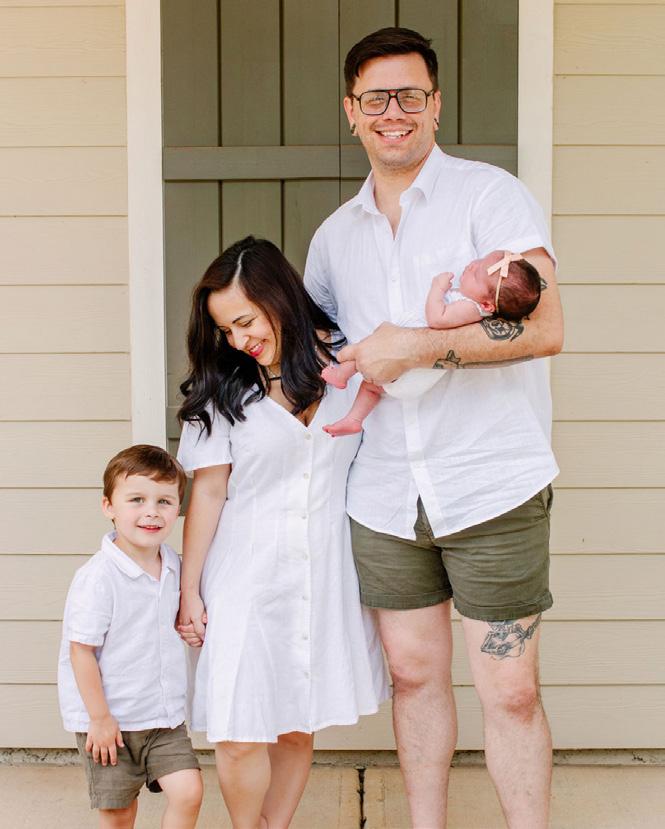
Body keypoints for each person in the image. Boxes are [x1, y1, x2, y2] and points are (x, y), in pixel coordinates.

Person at [304, 26, 563, 829]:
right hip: (383, 494)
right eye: (376, 98)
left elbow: (544, 325)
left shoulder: (488, 197)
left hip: (489, 483)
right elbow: (315, 350)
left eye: (410, 95)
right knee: (413, 678)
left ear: (436, 103)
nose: (394, 112)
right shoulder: (333, 239)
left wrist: (415, 345)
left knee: (508, 689)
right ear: (351, 110)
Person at [175, 236, 389, 829]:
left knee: (297, 722)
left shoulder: (350, 365)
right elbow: (208, 495)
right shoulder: (224, 393)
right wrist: (190, 591)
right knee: (239, 732)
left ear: (277, 297)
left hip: (323, 572)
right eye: (226, 330)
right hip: (244, 575)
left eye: (245, 321)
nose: (238, 340)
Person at [57, 445, 203, 829]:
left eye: (164, 501)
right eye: (137, 499)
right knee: (119, 813)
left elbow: (172, 623)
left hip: (163, 717)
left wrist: (190, 629)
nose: (152, 511)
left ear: (178, 507)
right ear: (109, 506)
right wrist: (100, 718)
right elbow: (81, 652)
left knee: (188, 791)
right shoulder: (98, 578)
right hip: (110, 722)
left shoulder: (175, 568)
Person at [322, 249, 542, 436]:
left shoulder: (471, 308)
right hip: (410, 370)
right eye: (479, 261)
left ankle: (342, 374)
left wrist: (437, 288)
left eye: (476, 274)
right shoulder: (474, 303)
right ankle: (354, 419)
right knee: (372, 386)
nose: (472, 265)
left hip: (411, 367)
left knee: (364, 352)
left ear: (487, 305)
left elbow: (437, 319)